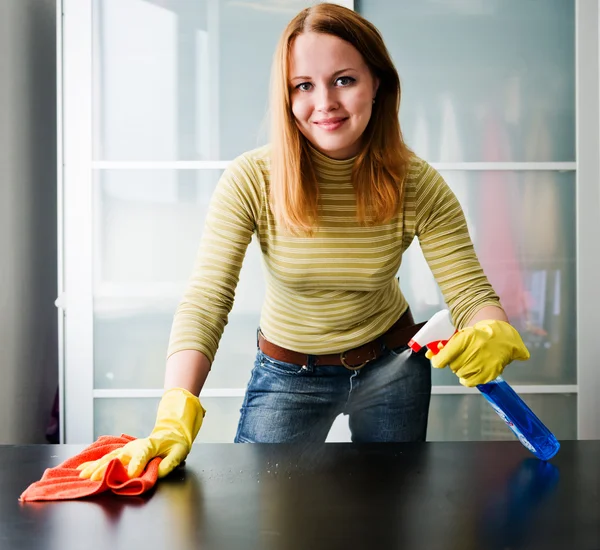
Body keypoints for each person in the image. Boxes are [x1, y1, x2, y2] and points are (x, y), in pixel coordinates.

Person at [78, 3, 530, 481]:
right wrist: (174, 408)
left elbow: (471, 295)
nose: (325, 103)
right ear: (287, 97)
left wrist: (490, 328)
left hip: (391, 366)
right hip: (288, 373)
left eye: (344, 80)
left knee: (391, 514)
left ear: (377, 83)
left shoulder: (417, 183)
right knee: (263, 514)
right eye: (304, 86)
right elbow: (207, 300)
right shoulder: (251, 179)